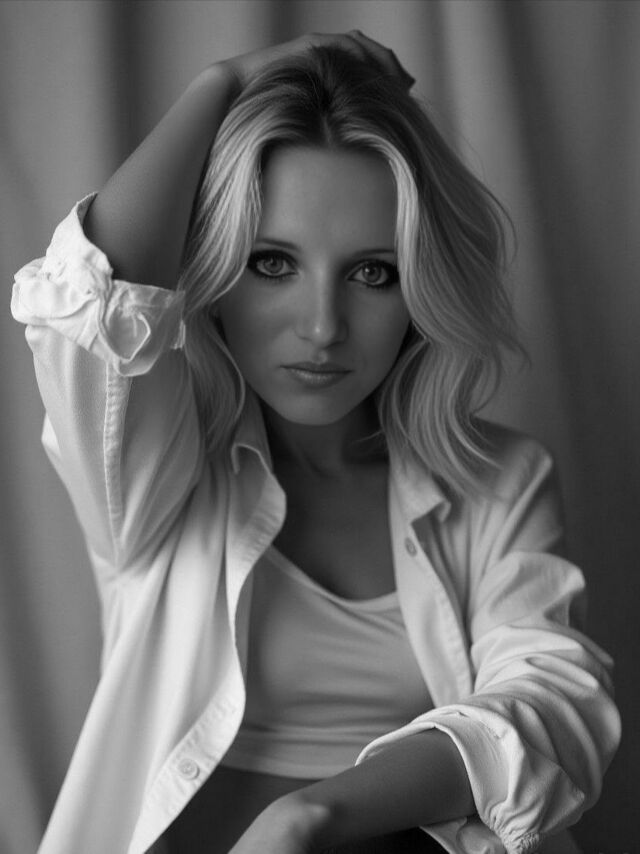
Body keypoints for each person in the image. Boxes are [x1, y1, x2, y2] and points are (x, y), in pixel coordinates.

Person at [11, 31, 620, 854]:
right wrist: (224, 81)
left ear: (421, 289)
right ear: (216, 279)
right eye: (273, 263)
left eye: (372, 273)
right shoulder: (156, 474)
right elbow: (92, 306)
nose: (324, 327)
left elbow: (555, 703)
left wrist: (310, 816)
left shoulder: (498, 480)